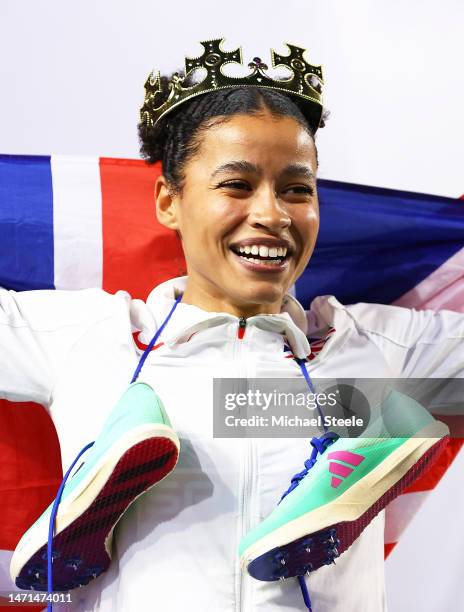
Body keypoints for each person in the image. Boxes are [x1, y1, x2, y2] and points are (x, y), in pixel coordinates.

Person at [1, 40, 461, 611]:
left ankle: (368, 441)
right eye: (236, 185)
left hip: (367, 394)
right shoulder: (91, 335)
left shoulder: (375, 344)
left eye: (298, 189)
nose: (272, 214)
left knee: (363, 398)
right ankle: (95, 478)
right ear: (170, 201)